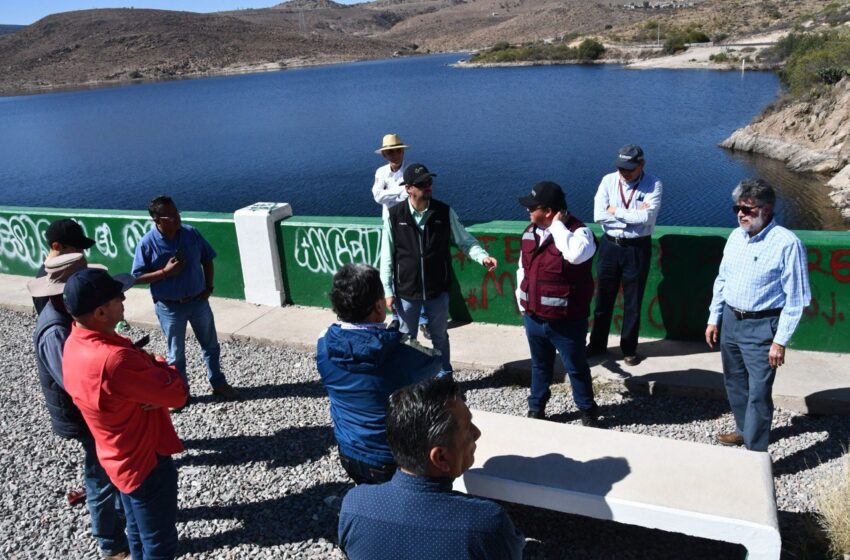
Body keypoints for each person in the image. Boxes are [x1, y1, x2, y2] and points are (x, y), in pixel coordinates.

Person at [62, 267, 188, 559]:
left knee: (137, 533)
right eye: (115, 296)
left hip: (117, 458)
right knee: (160, 543)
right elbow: (178, 393)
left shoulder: (73, 344)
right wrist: (158, 363)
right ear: (100, 313)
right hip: (146, 461)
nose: (123, 297)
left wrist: (146, 377)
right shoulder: (115, 361)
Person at [338, 376, 525, 560]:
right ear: (440, 457)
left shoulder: (354, 505)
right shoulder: (487, 524)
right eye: (468, 427)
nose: (477, 433)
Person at [28, 254, 129, 560]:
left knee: (109, 472)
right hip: (84, 417)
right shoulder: (56, 330)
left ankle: (121, 517)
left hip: (89, 412)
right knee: (99, 477)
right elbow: (77, 383)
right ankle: (110, 542)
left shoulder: (67, 317)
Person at [706, 179, 811, 452]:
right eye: (737, 208)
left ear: (766, 209)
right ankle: (743, 430)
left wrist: (780, 341)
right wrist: (713, 317)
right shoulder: (735, 237)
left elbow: (797, 299)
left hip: (762, 327)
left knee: (759, 393)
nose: (741, 214)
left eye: (748, 209)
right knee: (735, 382)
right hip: (730, 320)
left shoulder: (787, 244)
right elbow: (722, 280)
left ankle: (756, 452)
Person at [317, 263, 442, 484]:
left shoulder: (323, 344)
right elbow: (435, 361)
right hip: (389, 457)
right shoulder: (401, 352)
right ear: (378, 306)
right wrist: (400, 337)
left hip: (348, 450)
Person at [380, 163, 498, 377]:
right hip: (406, 291)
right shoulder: (395, 216)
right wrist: (387, 291)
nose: (428, 186)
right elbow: (387, 255)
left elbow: (465, 241)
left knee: (440, 336)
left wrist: (482, 257)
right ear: (408, 188)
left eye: (429, 182)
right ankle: (412, 378)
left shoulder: (443, 212)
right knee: (407, 337)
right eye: (422, 183)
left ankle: (444, 375)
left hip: (437, 290)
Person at [132, 195, 240, 402]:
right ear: (157, 220)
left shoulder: (191, 234)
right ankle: (181, 393)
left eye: (177, 212)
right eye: (171, 215)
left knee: (210, 345)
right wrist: (165, 272)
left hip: (198, 301)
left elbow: (207, 258)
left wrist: (209, 286)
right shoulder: (147, 243)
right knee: (176, 354)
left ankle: (218, 382)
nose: (177, 217)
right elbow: (136, 277)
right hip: (170, 308)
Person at [516, 181, 599, 425]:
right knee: (539, 367)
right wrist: (522, 306)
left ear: (549, 211)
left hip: (567, 322)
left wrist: (558, 228)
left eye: (533, 208)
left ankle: (587, 411)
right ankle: (537, 409)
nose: (528, 212)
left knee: (575, 368)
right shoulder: (529, 233)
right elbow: (522, 269)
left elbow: (575, 254)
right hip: (534, 317)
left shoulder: (580, 233)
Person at [587, 144, 662, 366]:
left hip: (637, 249)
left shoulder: (653, 184)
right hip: (610, 246)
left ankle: (629, 349)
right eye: (621, 167)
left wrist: (615, 211)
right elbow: (599, 215)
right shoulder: (607, 181)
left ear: (642, 165)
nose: (624, 172)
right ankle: (597, 344)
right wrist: (631, 215)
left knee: (632, 301)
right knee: (603, 299)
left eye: (629, 168)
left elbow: (646, 218)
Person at [371, 133, 429, 338]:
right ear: (384, 155)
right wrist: (399, 191)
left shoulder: (412, 170)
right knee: (392, 269)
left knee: (414, 269)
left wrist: (391, 192)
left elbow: (407, 195)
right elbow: (378, 196)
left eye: (396, 150)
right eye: (389, 152)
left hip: (409, 224)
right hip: (389, 224)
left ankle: (422, 319)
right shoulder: (380, 172)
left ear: (402, 151)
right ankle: (396, 316)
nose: (393, 155)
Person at [32, 219, 96, 315]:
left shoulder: (64, 271)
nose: (81, 253)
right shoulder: (48, 281)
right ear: (57, 246)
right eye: (77, 248)